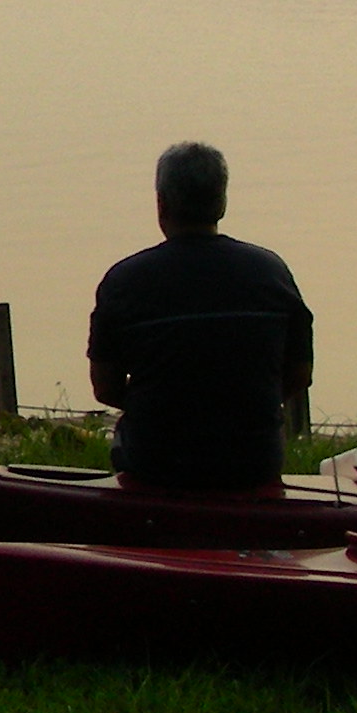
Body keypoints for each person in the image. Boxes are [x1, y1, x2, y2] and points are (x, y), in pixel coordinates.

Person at [87, 142, 314, 489]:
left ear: (162, 203)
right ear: (222, 203)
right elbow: (300, 373)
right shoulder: (271, 272)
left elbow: (105, 388)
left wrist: (163, 404)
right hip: (253, 461)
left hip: (156, 463)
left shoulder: (124, 281)